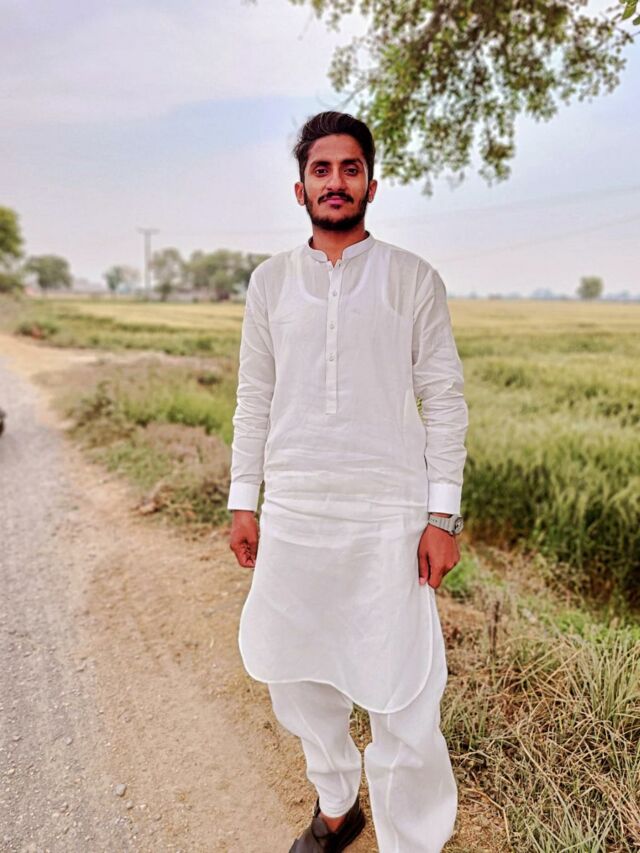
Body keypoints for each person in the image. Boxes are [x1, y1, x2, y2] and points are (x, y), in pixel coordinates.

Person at [227, 111, 469, 853]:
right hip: (296, 510)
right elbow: (254, 398)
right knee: (298, 674)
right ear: (300, 188)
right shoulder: (270, 283)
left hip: (388, 516)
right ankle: (337, 805)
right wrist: (243, 500)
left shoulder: (413, 279)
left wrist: (442, 517)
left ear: (371, 183)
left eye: (350, 168)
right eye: (322, 169)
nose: (336, 181)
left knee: (405, 690)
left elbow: (444, 399)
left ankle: (412, 840)